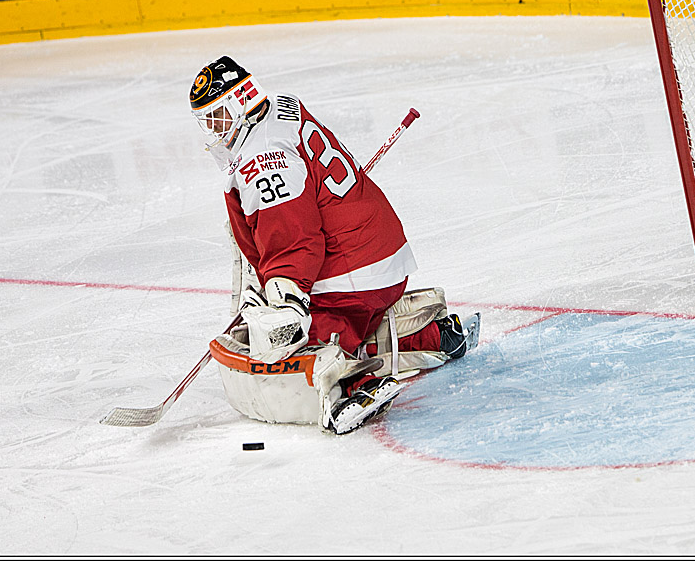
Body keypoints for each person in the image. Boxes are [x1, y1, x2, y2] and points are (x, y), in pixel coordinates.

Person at [188, 55, 479, 434]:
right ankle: (439, 334)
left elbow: (295, 239)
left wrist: (285, 293)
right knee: (351, 327)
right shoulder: (279, 109)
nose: (214, 130)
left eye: (218, 116)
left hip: (352, 274)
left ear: (243, 99)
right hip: (378, 255)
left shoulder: (262, 157)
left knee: (291, 345)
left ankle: (355, 388)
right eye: (206, 122)